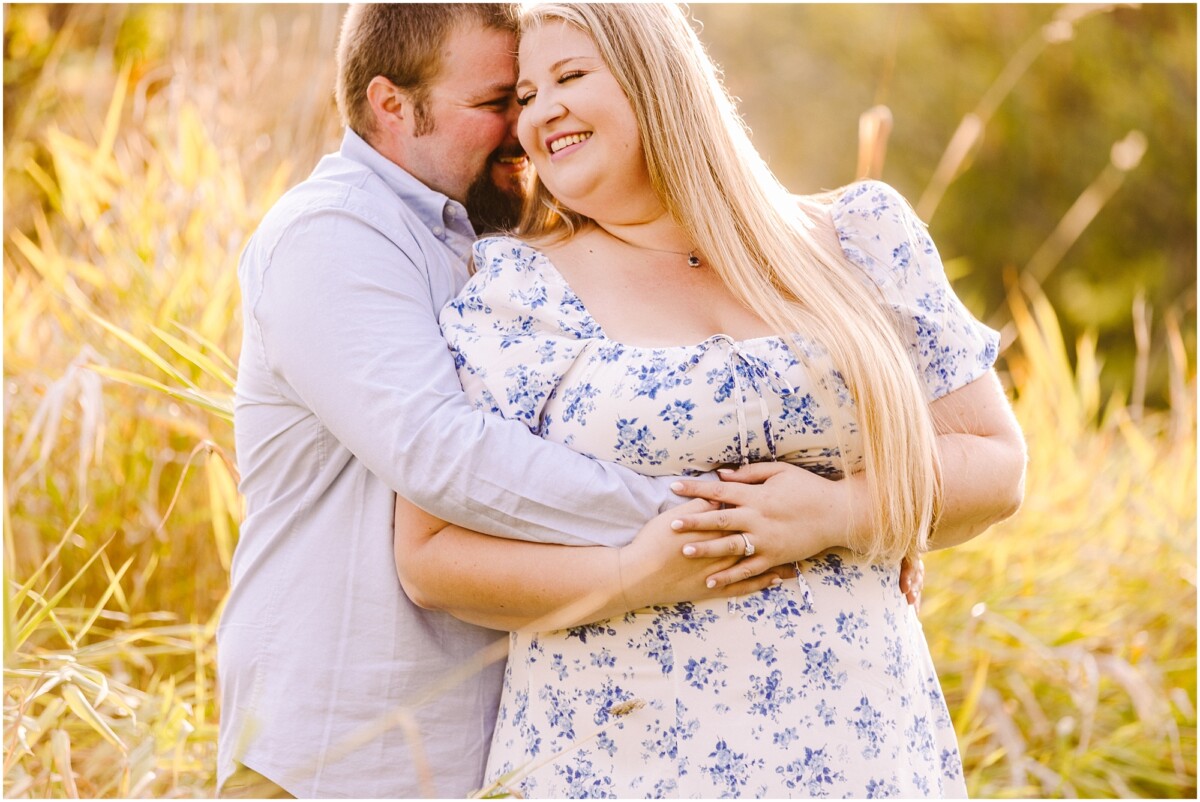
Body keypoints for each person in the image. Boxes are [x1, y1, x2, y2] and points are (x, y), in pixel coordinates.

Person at [393, 2, 1026, 797]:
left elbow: (996, 466)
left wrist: (842, 513)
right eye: (523, 95)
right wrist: (634, 574)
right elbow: (432, 558)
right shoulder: (517, 292)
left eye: (570, 75)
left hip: (860, 753)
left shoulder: (859, 237)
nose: (540, 110)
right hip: (615, 760)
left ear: (659, 79)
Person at [218, 4, 795, 798]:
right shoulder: (334, 233)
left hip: (474, 757)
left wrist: (816, 507)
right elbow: (442, 454)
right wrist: (733, 522)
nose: (520, 130)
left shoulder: (489, 243)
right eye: (496, 104)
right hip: (336, 754)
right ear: (392, 106)